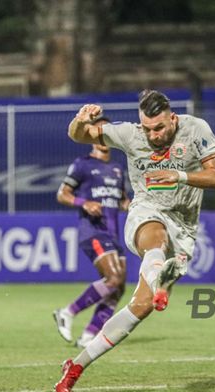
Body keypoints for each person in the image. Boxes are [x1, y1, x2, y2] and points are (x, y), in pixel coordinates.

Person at [54, 89, 215, 392]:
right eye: (146, 128)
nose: (152, 135)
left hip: (184, 226)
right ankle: (161, 276)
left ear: (172, 119)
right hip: (147, 212)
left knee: (141, 307)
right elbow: (79, 136)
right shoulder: (129, 135)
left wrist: (180, 176)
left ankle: (77, 364)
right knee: (155, 241)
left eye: (158, 128)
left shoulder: (195, 129)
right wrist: (79, 121)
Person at [52, 116, 130, 348]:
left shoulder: (117, 169)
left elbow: (122, 200)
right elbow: (62, 194)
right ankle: (67, 312)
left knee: (119, 287)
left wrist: (131, 205)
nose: (101, 135)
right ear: (91, 137)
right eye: (97, 131)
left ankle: (88, 336)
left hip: (113, 233)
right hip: (93, 231)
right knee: (113, 279)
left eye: (105, 131)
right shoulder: (82, 164)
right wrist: (83, 203)